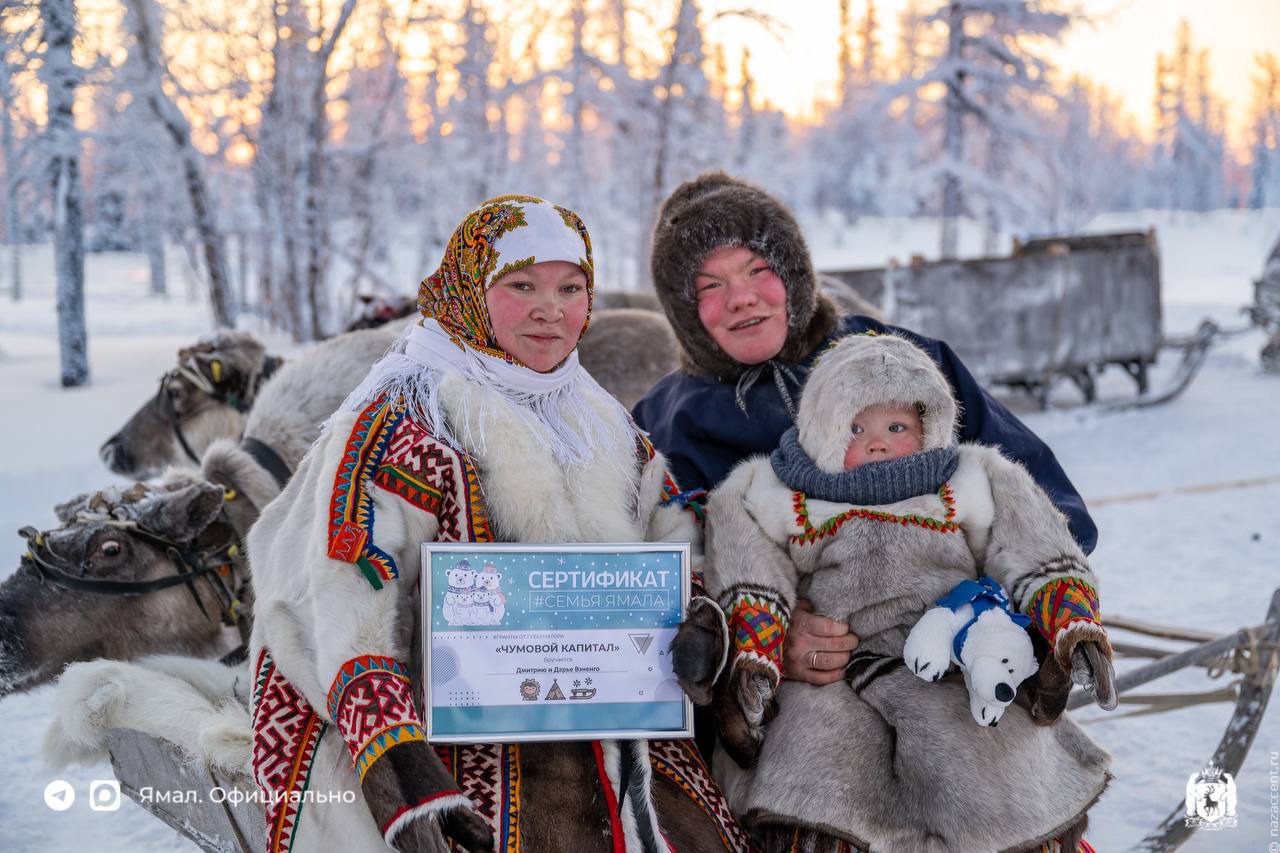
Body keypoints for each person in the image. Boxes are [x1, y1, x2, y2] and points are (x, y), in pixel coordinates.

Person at [246, 195, 752, 852]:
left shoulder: (607, 429)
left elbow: (675, 540)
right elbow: (343, 593)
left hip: (610, 721)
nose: (552, 309)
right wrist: (399, 758)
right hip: (448, 734)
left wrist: (699, 620)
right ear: (469, 291)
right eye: (522, 286)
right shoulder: (403, 420)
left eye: (571, 288)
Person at [633, 172, 1098, 691]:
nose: (740, 298)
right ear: (684, 312)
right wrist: (761, 636)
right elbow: (666, 585)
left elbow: (1048, 502)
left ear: (793, 274)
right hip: (794, 694)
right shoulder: (665, 423)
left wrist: (984, 606)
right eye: (710, 287)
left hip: (956, 658)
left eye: (757, 269)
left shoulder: (901, 363)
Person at [677, 331, 1114, 851]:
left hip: (956, 664)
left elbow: (1033, 546)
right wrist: (758, 650)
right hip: (831, 670)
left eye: (897, 425)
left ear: (930, 423)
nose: (877, 441)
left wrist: (1068, 620)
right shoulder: (769, 491)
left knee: (995, 769)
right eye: (855, 427)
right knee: (817, 775)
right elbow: (752, 572)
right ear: (821, 428)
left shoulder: (973, 477)